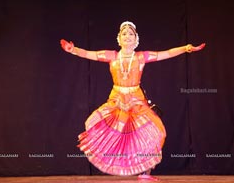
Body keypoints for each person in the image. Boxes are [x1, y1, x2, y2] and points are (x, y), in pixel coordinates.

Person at [60, 21, 205, 181]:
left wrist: (185, 48)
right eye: (124, 34)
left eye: (131, 34)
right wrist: (73, 50)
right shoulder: (111, 56)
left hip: (136, 100)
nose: (127, 36)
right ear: (119, 39)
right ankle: (115, 162)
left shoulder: (141, 57)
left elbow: (167, 53)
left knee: (155, 132)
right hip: (117, 99)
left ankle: (145, 173)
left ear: (136, 38)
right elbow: (89, 54)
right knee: (103, 129)